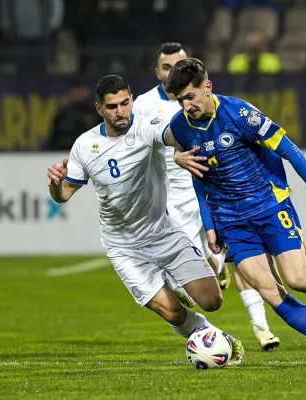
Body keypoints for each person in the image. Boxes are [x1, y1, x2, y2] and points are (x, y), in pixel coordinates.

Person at [163, 58, 306, 367]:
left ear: (207, 87)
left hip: (270, 206)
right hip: (231, 222)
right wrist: (209, 225)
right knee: (271, 292)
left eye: (190, 97)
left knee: (299, 280)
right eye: (179, 100)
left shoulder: (241, 114)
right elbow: (199, 177)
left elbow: (289, 150)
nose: (185, 105)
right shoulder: (181, 127)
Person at [46, 74, 244, 364]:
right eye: (112, 106)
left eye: (125, 103)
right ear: (99, 108)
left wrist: (178, 153)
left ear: (132, 100)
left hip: (165, 232)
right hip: (123, 246)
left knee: (212, 301)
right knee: (174, 313)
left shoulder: (146, 125)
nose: (121, 111)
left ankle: (203, 282)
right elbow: (64, 195)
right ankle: (216, 339)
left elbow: (174, 136)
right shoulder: (84, 146)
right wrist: (54, 185)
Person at [132, 42, 280, 351]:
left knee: (245, 257)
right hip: (174, 202)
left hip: (216, 190)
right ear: (157, 72)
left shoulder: (204, 97)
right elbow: (137, 145)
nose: (174, 71)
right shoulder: (143, 105)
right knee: (194, 274)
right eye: (167, 67)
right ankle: (213, 267)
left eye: (180, 64)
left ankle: (261, 326)